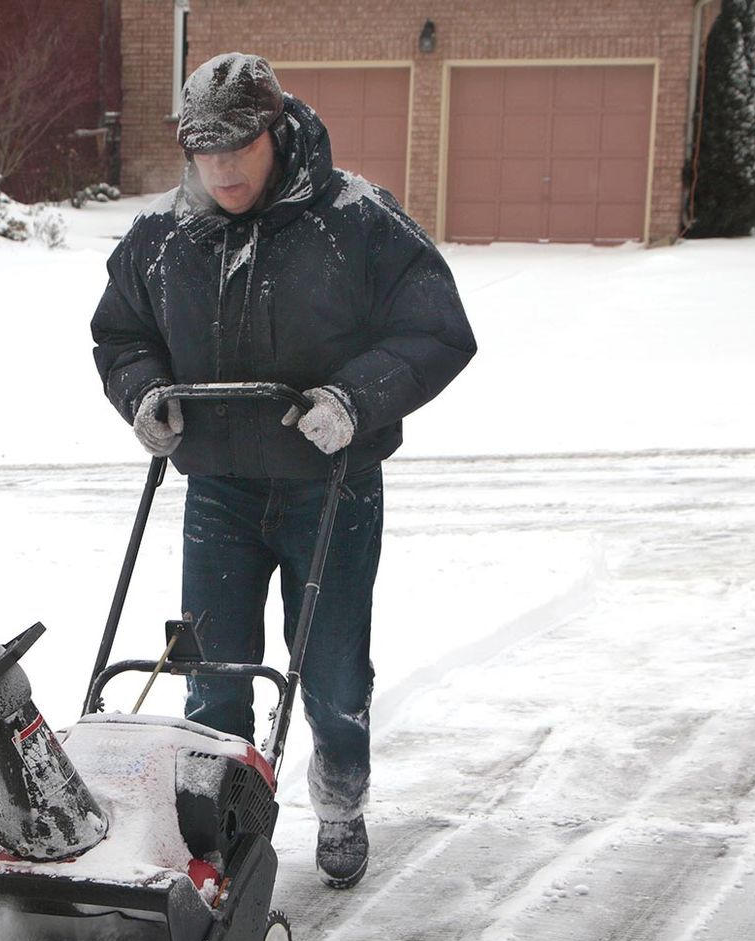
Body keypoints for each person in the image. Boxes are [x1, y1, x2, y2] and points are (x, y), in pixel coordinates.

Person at [90, 52, 476, 889]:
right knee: (213, 676)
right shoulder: (163, 238)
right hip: (218, 490)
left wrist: (353, 399)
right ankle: (218, 829)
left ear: (278, 132)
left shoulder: (358, 219)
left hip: (329, 488)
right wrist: (144, 394)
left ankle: (340, 799)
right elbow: (121, 335)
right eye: (205, 150)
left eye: (239, 146)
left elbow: (437, 330)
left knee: (333, 671)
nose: (222, 168)